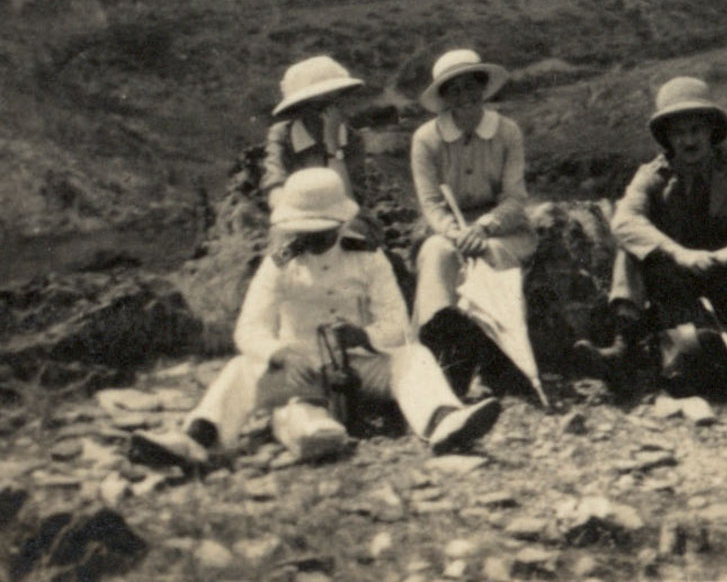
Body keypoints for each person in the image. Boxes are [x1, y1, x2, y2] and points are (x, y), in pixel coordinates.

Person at [131, 168, 502, 472]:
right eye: (302, 232)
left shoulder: (369, 259)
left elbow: (398, 327)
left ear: (340, 224)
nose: (310, 240)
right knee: (242, 369)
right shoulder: (278, 264)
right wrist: (280, 353)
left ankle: (442, 421)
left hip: (358, 367)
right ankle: (198, 438)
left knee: (414, 356)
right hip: (299, 371)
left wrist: (363, 335)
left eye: (321, 232)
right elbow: (249, 329)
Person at [576, 75, 727, 393]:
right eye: (678, 133)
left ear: (710, 131)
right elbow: (624, 220)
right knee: (630, 247)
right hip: (676, 281)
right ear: (667, 138)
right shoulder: (652, 176)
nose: (689, 141)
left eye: (696, 130)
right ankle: (623, 348)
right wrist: (680, 254)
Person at [410, 49, 537, 389]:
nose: (464, 97)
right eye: (454, 89)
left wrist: (484, 227)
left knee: (493, 253)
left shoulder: (507, 132)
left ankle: (500, 355)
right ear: (443, 96)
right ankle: (445, 352)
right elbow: (432, 204)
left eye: (471, 87)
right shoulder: (425, 139)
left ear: (482, 89)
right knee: (436, 253)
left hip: (501, 226)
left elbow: (515, 197)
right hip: (448, 228)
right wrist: (456, 234)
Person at [261, 54, 369, 208]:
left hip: (341, 216)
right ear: (301, 108)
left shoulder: (352, 139)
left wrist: (333, 145)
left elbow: (350, 202)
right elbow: (275, 184)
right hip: (294, 214)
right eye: (321, 105)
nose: (331, 112)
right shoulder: (283, 135)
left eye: (336, 102)